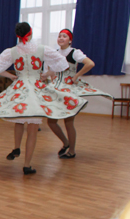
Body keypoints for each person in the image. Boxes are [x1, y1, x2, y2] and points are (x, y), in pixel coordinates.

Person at [0, 22, 87, 175]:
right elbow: (62, 64)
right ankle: (27, 165)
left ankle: (16, 148)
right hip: (36, 88)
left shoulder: (12, 51)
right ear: (30, 34)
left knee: (19, 120)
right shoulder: (42, 49)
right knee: (32, 129)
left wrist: (12, 76)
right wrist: (46, 74)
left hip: (20, 88)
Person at [43, 29, 113, 159]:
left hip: (68, 89)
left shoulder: (74, 52)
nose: (61, 38)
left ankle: (72, 151)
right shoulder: (55, 53)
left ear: (70, 40)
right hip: (56, 89)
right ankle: (65, 142)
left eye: (64, 36)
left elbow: (90, 63)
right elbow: (51, 71)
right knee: (51, 121)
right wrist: (45, 76)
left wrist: (76, 76)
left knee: (69, 122)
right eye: (59, 36)